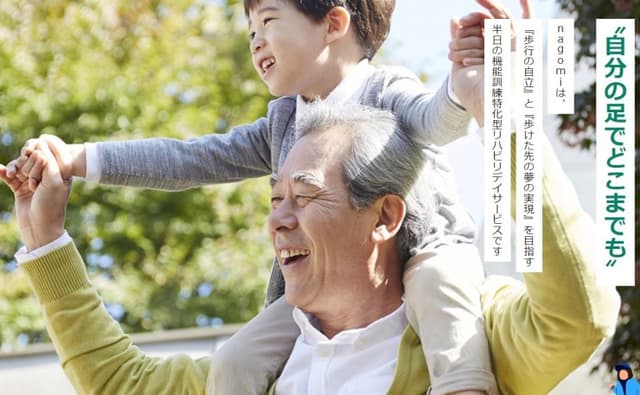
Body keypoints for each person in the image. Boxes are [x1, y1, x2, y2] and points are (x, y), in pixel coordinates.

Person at [3, 0, 512, 394]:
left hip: (425, 253)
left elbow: (436, 121)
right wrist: (79, 159)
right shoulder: (283, 121)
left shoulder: (385, 90)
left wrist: (465, 89)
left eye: (268, 21)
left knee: (450, 319)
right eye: (250, 30)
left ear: (335, 23)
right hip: (320, 289)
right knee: (233, 361)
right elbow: (192, 160)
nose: (255, 40)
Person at [0, 103, 619, 395]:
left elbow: (577, 314)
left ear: (384, 217)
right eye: (274, 203)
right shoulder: (250, 374)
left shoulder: (467, 341)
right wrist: (46, 241)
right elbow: (118, 382)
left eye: (304, 196)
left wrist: (505, 112)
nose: (280, 222)